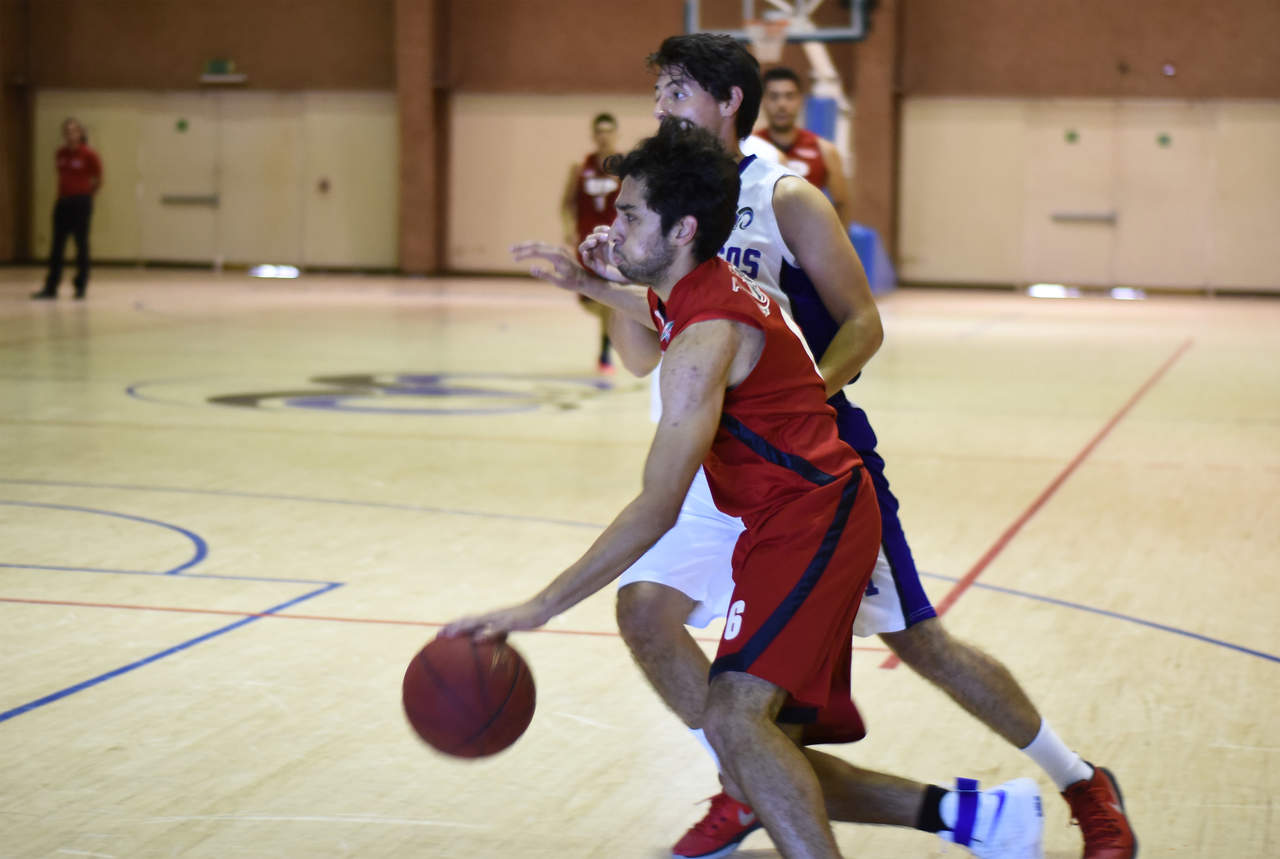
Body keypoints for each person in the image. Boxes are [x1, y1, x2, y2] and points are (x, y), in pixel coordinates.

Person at [515, 33, 1134, 859]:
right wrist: (603, 285)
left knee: (920, 641)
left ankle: (1081, 780)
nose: (661, 105)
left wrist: (802, 396)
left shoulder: (784, 194)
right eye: (658, 91)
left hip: (808, 461)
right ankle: (744, 782)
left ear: (728, 101)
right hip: (718, 460)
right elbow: (645, 353)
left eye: (677, 90)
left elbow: (863, 321)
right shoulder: (662, 204)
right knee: (646, 612)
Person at [561, 112, 621, 372]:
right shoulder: (580, 167)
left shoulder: (624, 168)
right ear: (594, 134)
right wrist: (567, 230)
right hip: (586, 245)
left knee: (609, 299)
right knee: (587, 300)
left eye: (609, 130)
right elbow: (566, 204)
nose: (604, 136)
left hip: (613, 246)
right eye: (600, 131)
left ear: (615, 134)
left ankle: (605, 349)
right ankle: (611, 330)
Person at [754, 66, 852, 226]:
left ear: (800, 100)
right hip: (760, 245)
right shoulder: (749, 147)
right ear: (763, 101)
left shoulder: (824, 150)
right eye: (774, 96)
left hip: (806, 243)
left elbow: (841, 203)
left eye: (789, 96)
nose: (782, 104)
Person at [32, 117, 102, 301]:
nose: (70, 135)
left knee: (81, 246)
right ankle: (51, 286)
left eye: (74, 131)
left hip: (81, 203)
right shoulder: (60, 154)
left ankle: (80, 286)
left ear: (80, 134)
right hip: (62, 203)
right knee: (56, 246)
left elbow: (98, 179)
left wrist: (86, 196)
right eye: (67, 131)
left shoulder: (89, 155)